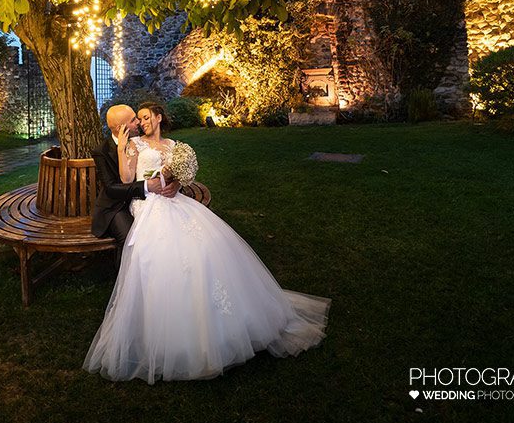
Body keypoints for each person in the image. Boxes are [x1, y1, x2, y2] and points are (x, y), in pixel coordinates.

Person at [84, 102, 331, 384]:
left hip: (172, 201)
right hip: (146, 205)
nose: (140, 123)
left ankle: (226, 322)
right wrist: (130, 160)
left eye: (144, 117)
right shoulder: (132, 146)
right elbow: (126, 180)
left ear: (158, 117)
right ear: (123, 127)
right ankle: (163, 328)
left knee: (205, 245)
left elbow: (181, 174)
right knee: (158, 253)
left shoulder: (174, 145)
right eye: (136, 119)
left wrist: (176, 180)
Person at [90, 104, 179, 247]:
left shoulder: (139, 141)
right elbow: (111, 188)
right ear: (120, 128)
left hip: (151, 199)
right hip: (117, 206)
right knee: (130, 240)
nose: (139, 122)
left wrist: (176, 183)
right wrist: (146, 185)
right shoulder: (102, 151)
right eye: (133, 120)